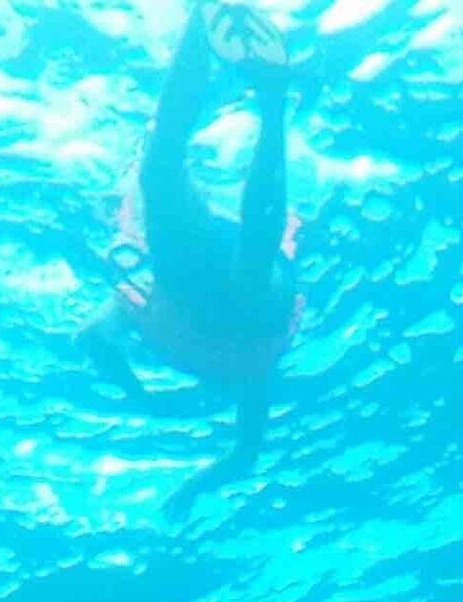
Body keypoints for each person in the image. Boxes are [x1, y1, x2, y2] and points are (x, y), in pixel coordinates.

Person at [86, 0, 302, 489]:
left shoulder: (135, 304)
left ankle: (206, 27)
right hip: (245, 306)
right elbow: (245, 453)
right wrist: (194, 484)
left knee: (160, 172)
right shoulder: (251, 380)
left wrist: (139, 395)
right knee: (168, 177)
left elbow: (92, 339)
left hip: (196, 288)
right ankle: (270, 100)